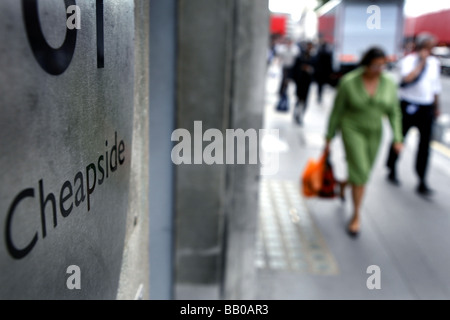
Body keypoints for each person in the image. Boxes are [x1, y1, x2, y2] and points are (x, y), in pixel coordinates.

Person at [324, 47, 403, 236]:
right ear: (366, 64)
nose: (379, 69)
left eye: (383, 65)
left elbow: (394, 112)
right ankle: (356, 215)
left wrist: (397, 137)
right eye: (375, 65)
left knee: (363, 172)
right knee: (360, 173)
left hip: (375, 132)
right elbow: (337, 110)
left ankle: (344, 185)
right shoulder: (349, 82)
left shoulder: (389, 83)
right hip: (352, 129)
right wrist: (329, 136)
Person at [385, 33, 441, 196]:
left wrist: (436, 107)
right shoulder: (408, 61)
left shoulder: (435, 63)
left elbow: (435, 87)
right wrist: (422, 63)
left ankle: (422, 179)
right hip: (408, 104)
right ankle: (392, 168)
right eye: (426, 47)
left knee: (425, 145)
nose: (429, 51)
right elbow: (407, 79)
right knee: (399, 137)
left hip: (426, 107)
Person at [292, 41, 315, 124]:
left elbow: (315, 69)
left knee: (304, 101)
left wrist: (309, 70)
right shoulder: (300, 57)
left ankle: (300, 116)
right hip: (300, 81)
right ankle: (296, 114)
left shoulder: (313, 58)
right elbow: (295, 68)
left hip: (307, 82)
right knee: (298, 99)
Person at [275, 37, 300, 111]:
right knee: (284, 80)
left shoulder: (295, 49)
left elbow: (296, 57)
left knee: (288, 81)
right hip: (285, 67)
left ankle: (286, 91)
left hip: (291, 68)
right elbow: (279, 56)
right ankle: (282, 91)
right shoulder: (282, 49)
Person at [313, 37, 333, 104]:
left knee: (320, 85)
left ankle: (319, 96)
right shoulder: (327, 53)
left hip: (320, 71)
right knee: (321, 85)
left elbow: (316, 61)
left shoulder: (320, 52)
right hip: (323, 72)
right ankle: (320, 96)